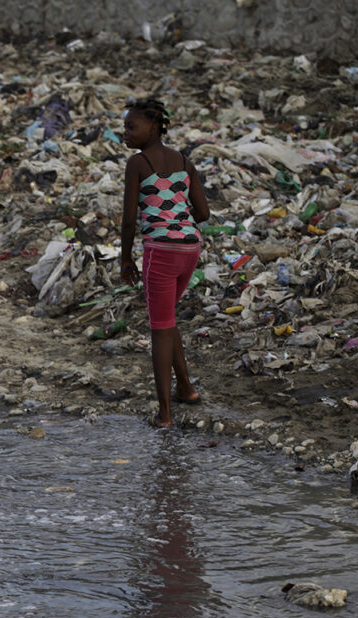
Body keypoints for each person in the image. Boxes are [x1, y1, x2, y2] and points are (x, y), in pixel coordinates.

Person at [119, 99, 210, 428]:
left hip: (161, 250)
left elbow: (130, 220)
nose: (125, 133)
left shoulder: (138, 163)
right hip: (190, 249)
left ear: (153, 128)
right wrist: (176, 211)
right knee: (167, 320)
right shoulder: (184, 161)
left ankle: (164, 414)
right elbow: (203, 213)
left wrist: (125, 258)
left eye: (131, 127)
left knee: (159, 329)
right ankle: (186, 390)